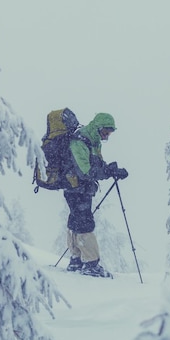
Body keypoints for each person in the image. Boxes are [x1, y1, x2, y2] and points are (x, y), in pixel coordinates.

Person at [63, 112, 128, 278]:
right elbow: (85, 171)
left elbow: (96, 165)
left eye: (109, 133)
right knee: (84, 222)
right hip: (75, 188)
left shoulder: (93, 142)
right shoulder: (80, 140)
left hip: (82, 188)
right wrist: (107, 172)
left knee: (77, 219)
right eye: (106, 132)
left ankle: (76, 260)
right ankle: (90, 264)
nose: (107, 136)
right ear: (98, 128)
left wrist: (110, 169)